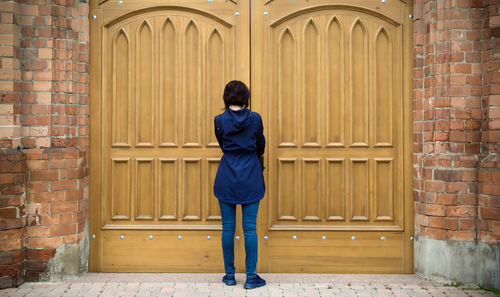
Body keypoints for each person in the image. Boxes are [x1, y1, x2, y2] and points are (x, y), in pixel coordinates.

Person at [213, 80, 266, 289]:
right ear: (246, 97)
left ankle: (229, 276)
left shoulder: (219, 120)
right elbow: (260, 145)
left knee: (227, 227)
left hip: (227, 175)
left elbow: (222, 144)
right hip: (251, 174)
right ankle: (251, 277)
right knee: (250, 228)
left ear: (227, 97)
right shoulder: (255, 119)